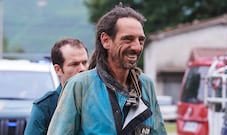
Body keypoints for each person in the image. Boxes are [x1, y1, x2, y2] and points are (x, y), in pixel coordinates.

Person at [47, 4, 167, 135]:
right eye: (128, 39)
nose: (137, 47)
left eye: (141, 40)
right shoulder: (80, 86)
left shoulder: (145, 84)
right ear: (105, 40)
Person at [24, 37, 89, 135]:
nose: (82, 69)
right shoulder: (45, 107)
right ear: (58, 69)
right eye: (74, 64)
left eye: (84, 62)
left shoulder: (100, 99)